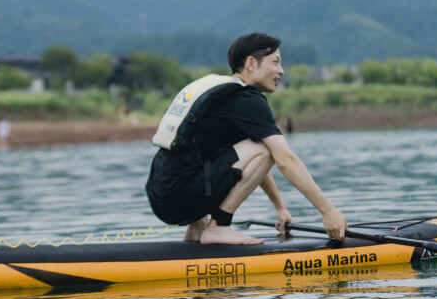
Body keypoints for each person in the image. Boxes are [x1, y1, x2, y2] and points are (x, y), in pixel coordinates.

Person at [145, 32, 347, 245]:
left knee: (250, 148)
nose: (281, 70)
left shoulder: (221, 92)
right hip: (180, 198)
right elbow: (284, 160)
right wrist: (328, 211)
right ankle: (218, 227)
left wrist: (280, 208)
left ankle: (197, 228)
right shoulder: (247, 99)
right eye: (275, 62)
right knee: (268, 149)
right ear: (251, 63)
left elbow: (252, 161)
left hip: (160, 195)